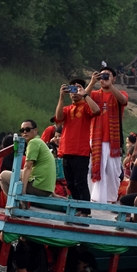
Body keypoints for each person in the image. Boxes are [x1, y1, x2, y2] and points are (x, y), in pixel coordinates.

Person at [54, 79, 100, 213]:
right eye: (72, 89)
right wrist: (61, 97)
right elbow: (58, 117)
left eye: (77, 88)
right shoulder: (67, 108)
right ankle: (78, 209)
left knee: (80, 183)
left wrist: (85, 94)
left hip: (81, 152)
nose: (74, 92)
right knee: (70, 184)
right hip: (66, 151)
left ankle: (86, 212)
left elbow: (96, 110)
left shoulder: (86, 106)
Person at [87, 65, 129, 205]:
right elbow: (83, 99)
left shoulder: (119, 93)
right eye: (102, 76)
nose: (104, 78)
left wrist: (110, 86)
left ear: (114, 78)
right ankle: (94, 198)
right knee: (94, 168)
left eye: (107, 76)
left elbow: (123, 101)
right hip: (96, 137)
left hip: (113, 141)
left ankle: (110, 199)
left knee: (112, 171)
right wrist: (92, 83)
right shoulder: (94, 93)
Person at [0, 119, 56, 200]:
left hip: (39, 187)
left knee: (3, 175)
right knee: (18, 172)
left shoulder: (33, 143)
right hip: (46, 188)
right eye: (22, 130)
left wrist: (23, 190)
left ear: (36, 130)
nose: (25, 132)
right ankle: (21, 204)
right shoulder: (39, 142)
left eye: (28, 129)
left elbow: (28, 166)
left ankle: (14, 204)